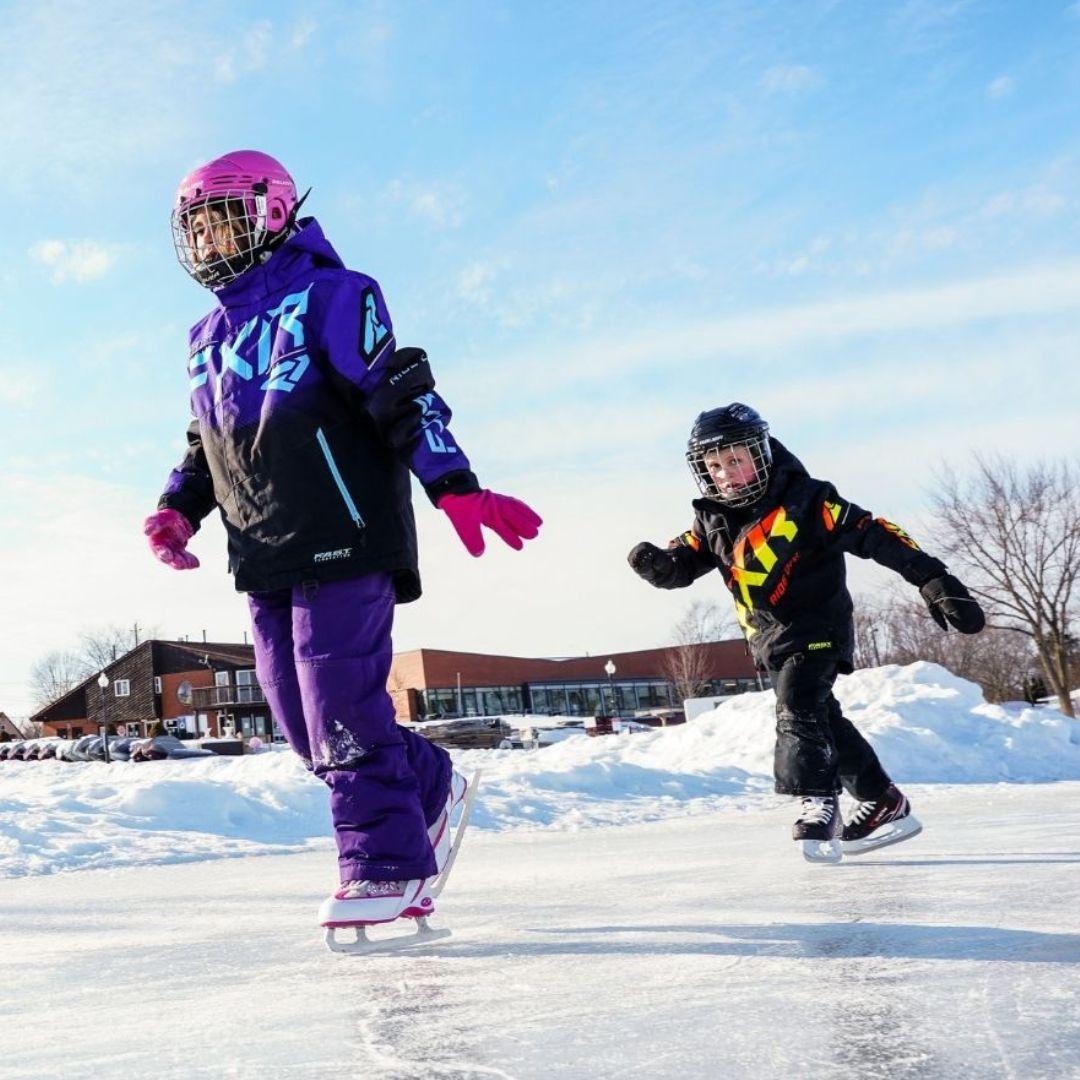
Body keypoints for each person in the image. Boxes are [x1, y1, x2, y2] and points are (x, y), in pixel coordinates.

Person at [144, 150, 541, 927]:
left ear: (270, 211)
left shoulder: (335, 294)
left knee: (340, 706)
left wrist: (455, 486)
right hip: (262, 549)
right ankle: (429, 782)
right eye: (195, 230)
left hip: (347, 533)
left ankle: (387, 866)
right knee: (300, 721)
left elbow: (399, 392)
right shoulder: (203, 336)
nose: (209, 241)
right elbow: (208, 443)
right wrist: (176, 509)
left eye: (222, 222)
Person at [628, 403, 984, 860]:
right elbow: (682, 566)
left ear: (761, 454)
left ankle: (817, 802)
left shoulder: (810, 501)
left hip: (818, 627)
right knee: (823, 718)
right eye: (713, 466)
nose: (726, 474)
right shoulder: (711, 520)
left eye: (736, 460)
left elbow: (876, 533)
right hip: (769, 639)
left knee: (797, 705)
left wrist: (935, 581)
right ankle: (882, 801)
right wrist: (658, 565)